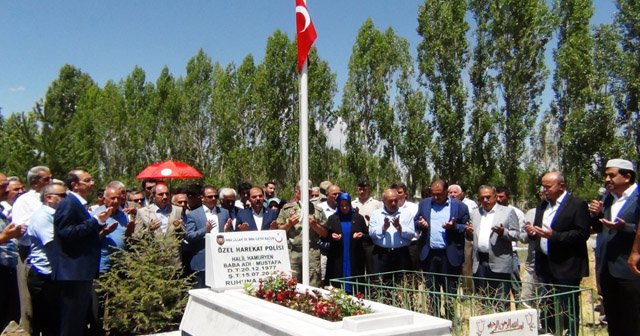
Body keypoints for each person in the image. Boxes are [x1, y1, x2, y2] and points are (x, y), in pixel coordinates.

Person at [524, 171, 590, 335]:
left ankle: (570, 332)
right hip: (545, 265)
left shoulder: (577, 204)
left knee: (568, 306)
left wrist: (555, 236)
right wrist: (533, 233)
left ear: (561, 186)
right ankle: (550, 331)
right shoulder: (543, 206)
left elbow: (582, 234)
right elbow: (540, 231)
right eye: (542, 186)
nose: (544, 190)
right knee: (548, 305)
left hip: (567, 266)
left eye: (548, 186)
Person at [52, 169, 113, 336]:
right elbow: (67, 233)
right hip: (72, 271)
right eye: (87, 180)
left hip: (80, 271)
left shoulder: (79, 203)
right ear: (75, 185)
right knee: (70, 322)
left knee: (78, 321)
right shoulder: (69, 203)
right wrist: (95, 221)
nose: (92, 183)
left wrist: (99, 223)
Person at [587, 159, 640, 335]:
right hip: (608, 269)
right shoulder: (608, 199)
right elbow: (599, 227)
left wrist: (625, 227)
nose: (607, 179)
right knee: (614, 321)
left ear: (627, 176)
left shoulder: (637, 196)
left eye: (611, 175)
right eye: (605, 175)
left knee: (633, 320)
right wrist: (596, 214)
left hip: (631, 270)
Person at [415, 180, 469, 319]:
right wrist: (421, 224)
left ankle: (451, 320)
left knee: (450, 290)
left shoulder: (460, 206)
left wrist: (454, 226)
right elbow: (415, 222)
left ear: (447, 192)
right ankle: (435, 319)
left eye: (439, 194)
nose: (436, 197)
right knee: (432, 290)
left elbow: (466, 228)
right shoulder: (424, 204)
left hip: (449, 255)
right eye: (433, 194)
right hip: (430, 254)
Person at [11, 166, 52, 334]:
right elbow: (21, 231)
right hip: (29, 254)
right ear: (35, 182)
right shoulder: (24, 201)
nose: (50, 181)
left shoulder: (51, 198)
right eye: (46, 179)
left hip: (51, 256)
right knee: (29, 305)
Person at [467, 185, 519, 309]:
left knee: (500, 300)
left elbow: (517, 235)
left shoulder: (507, 212)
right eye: (482, 198)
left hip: (499, 262)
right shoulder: (475, 213)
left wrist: (504, 232)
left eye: (488, 197)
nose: (485, 200)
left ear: (495, 197)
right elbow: (471, 237)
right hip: (480, 262)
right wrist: (468, 233)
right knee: (483, 300)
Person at [27, 183, 67, 336]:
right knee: (48, 323)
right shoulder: (42, 217)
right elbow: (54, 245)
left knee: (57, 321)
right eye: (62, 196)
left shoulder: (56, 215)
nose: (66, 199)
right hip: (43, 277)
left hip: (56, 275)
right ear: (49, 198)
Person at [276, 180, 328, 287]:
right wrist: (289, 224)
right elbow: (279, 232)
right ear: (297, 192)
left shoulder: (317, 210)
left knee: (314, 283)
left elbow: (325, 233)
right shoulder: (287, 209)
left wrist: (315, 225)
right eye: (302, 192)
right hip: (293, 252)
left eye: (308, 192)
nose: (306, 195)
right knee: (292, 284)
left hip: (311, 251)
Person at [184, 185, 230, 288]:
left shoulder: (224, 212)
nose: (213, 199)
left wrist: (227, 231)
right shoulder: (193, 215)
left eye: (215, 196)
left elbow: (228, 235)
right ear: (202, 198)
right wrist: (205, 230)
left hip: (221, 260)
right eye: (210, 196)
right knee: (201, 292)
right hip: (202, 261)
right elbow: (189, 236)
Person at [324, 193, 367, 293]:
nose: (344, 207)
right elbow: (325, 237)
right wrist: (332, 236)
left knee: (356, 284)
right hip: (338, 256)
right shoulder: (333, 218)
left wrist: (361, 236)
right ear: (338, 205)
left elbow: (368, 236)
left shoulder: (358, 218)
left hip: (355, 256)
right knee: (338, 283)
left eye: (346, 205)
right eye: (341, 205)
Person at [369, 189, 415, 279]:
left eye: (396, 200)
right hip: (381, 255)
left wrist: (400, 228)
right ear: (384, 201)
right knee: (381, 287)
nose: (393, 203)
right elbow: (371, 233)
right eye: (390, 201)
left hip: (401, 255)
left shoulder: (406, 213)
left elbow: (411, 234)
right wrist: (383, 228)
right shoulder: (376, 214)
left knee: (403, 285)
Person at [495, 186, 526, 300]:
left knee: (515, 283)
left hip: (511, 253)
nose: (498, 199)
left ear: (508, 197)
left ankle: (519, 306)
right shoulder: (493, 212)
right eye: (496, 196)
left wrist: (504, 233)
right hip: (496, 253)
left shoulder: (516, 212)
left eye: (501, 197)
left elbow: (519, 234)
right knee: (501, 287)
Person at [351, 177, 382, 275]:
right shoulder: (352, 204)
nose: (362, 191)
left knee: (371, 268)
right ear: (356, 189)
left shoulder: (377, 204)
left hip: (370, 240)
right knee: (357, 267)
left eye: (364, 188)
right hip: (356, 240)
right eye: (360, 189)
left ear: (368, 188)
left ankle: (372, 289)